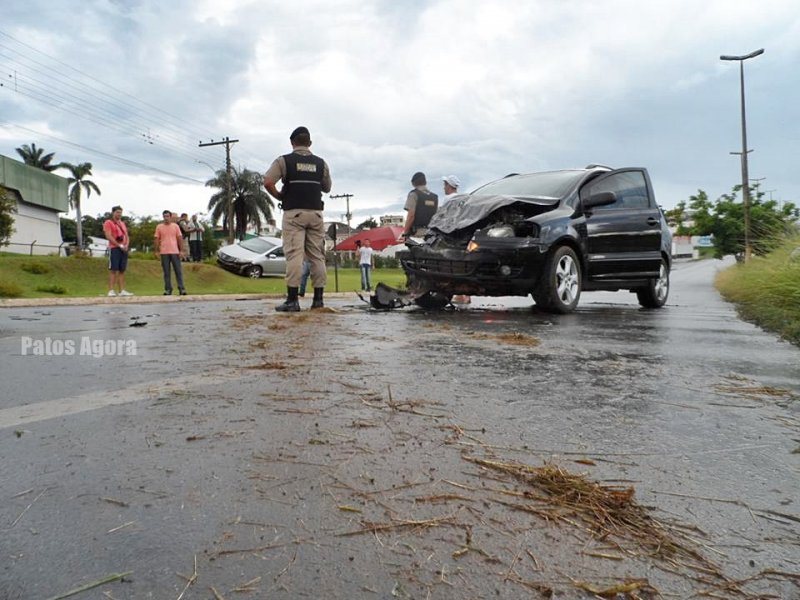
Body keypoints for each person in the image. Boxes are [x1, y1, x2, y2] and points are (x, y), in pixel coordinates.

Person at [264, 126, 332, 312]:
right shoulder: (321, 163)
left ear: (292, 142)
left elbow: (268, 182)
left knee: (295, 255)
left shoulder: (284, 161)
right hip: (316, 214)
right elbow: (327, 188)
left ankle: (292, 300)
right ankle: (318, 300)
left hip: (294, 214)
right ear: (309, 143)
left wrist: (279, 196)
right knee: (317, 256)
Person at [102, 205, 133, 297]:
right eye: (117, 212)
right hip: (114, 248)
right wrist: (118, 245)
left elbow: (126, 235)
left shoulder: (122, 223)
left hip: (123, 248)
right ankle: (111, 290)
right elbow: (108, 235)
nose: (119, 214)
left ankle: (122, 290)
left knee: (122, 270)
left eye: (120, 213)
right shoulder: (108, 222)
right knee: (113, 269)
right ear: (113, 213)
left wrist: (126, 245)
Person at [154, 209, 187, 296]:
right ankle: (168, 289)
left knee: (178, 271)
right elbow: (156, 239)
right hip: (164, 252)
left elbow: (179, 238)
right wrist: (156, 250)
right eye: (164, 216)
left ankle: (181, 288)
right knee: (166, 272)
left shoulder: (175, 226)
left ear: (171, 217)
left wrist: (182, 250)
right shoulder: (159, 227)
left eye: (167, 216)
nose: (166, 218)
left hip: (174, 251)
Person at [400, 172, 438, 241]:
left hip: (417, 234)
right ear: (425, 182)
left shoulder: (414, 194)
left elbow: (411, 215)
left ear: (413, 183)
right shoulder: (435, 197)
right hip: (431, 234)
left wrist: (404, 234)